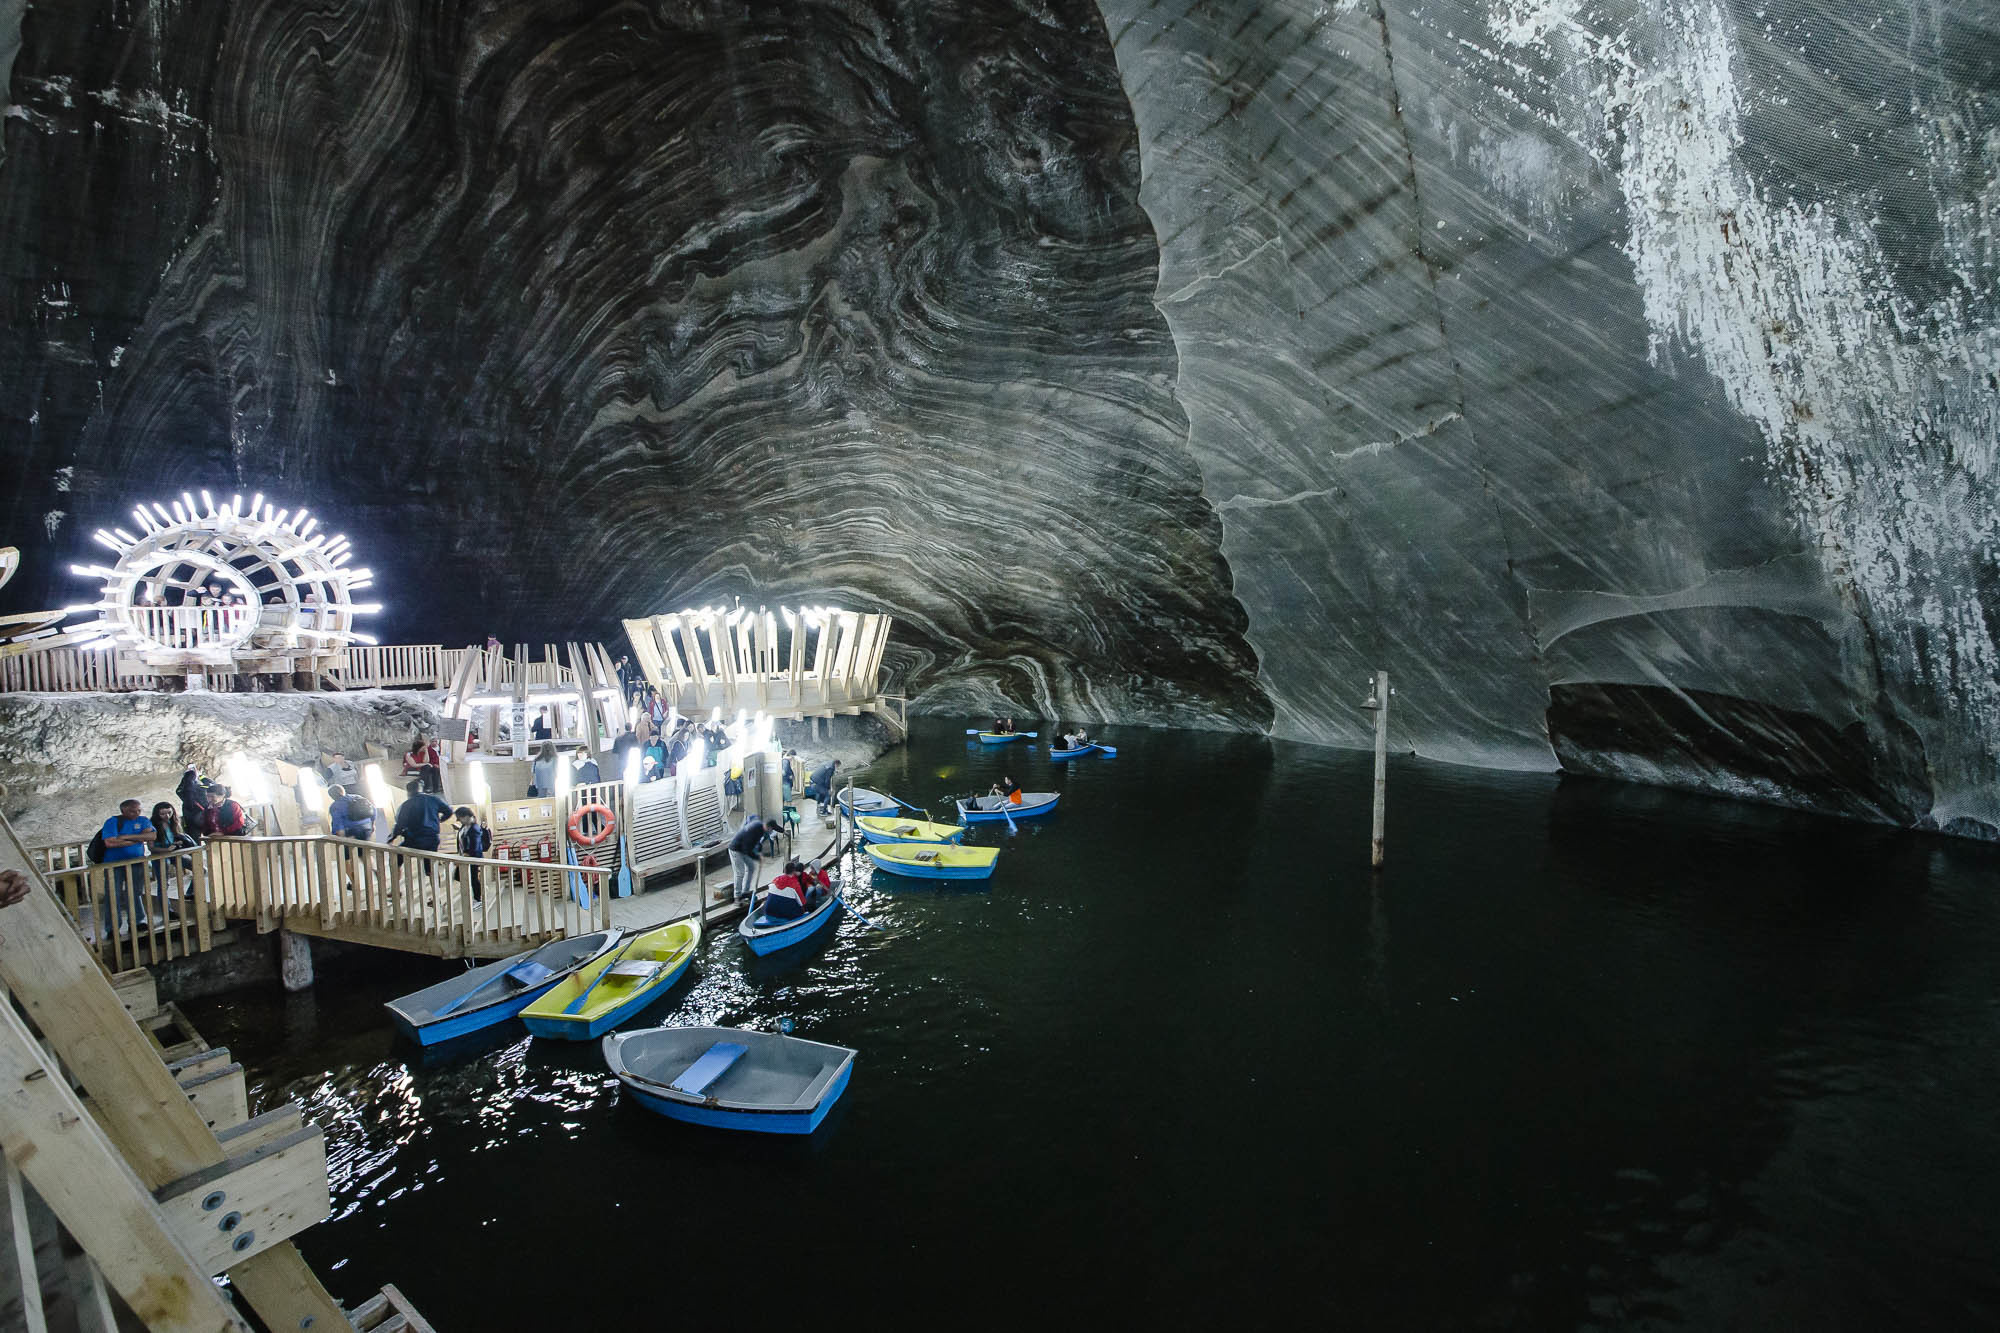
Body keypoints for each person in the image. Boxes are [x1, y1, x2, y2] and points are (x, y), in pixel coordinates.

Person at [98, 798, 156, 934]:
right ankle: (112, 927)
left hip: (136, 862)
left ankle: (138, 921)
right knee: (113, 894)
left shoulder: (142, 820)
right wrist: (137, 839)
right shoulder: (113, 822)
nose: (136, 813)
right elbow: (110, 842)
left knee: (135, 892)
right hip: (114, 864)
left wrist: (125, 837)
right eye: (132, 811)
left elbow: (152, 835)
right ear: (123, 810)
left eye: (138, 810)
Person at [388, 780, 453, 855]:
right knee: (428, 864)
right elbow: (449, 811)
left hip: (415, 839)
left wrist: (391, 838)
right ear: (420, 789)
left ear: (408, 791)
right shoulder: (434, 799)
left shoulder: (406, 805)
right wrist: (440, 820)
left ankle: (398, 866)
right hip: (433, 839)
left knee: (396, 859)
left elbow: (399, 824)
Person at [727, 816, 772, 903]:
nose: (770, 831)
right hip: (735, 849)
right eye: (770, 829)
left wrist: (758, 852)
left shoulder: (760, 827)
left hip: (743, 849)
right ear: (768, 827)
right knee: (740, 873)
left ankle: (745, 892)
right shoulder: (754, 829)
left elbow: (756, 842)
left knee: (751, 867)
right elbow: (747, 850)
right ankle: (737, 897)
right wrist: (757, 857)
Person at [454, 807, 492, 903]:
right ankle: (479, 893)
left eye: (460, 818)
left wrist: (465, 856)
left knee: (473, 878)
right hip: (465, 857)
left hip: (472, 858)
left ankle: (478, 898)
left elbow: (474, 845)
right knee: (463, 877)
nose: (460, 821)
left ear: (466, 816)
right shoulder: (465, 826)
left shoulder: (474, 828)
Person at [177, 764, 214, 836]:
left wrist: (186, 777)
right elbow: (212, 784)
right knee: (209, 839)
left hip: (190, 820)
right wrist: (201, 776)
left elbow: (180, 788)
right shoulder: (202, 788)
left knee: (195, 842)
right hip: (203, 817)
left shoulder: (182, 791)